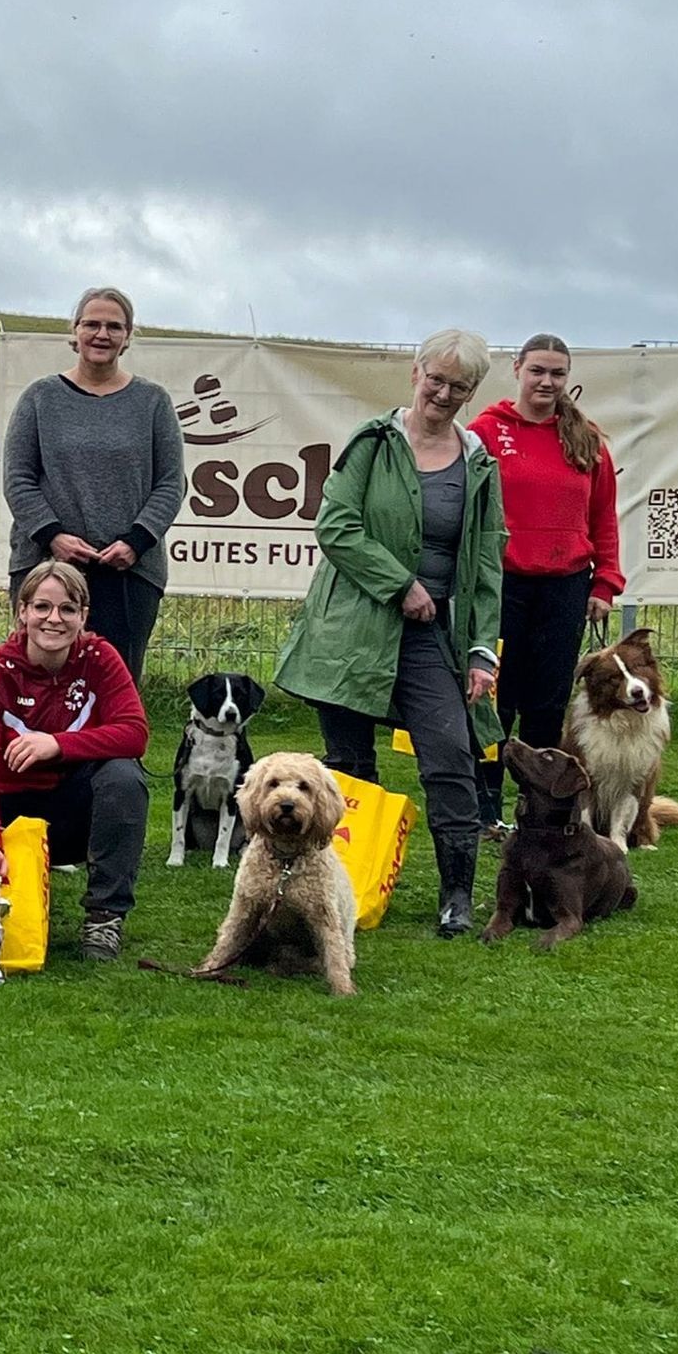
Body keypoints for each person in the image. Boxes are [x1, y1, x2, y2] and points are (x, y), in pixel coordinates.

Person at [273, 329, 506, 937]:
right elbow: (337, 525)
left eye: (460, 386)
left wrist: (482, 650)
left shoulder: (479, 462)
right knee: (348, 767)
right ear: (416, 372)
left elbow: (485, 562)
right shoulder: (373, 443)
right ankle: (336, 889)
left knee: (452, 756)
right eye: (437, 379)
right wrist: (400, 585)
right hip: (351, 629)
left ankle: (457, 893)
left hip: (433, 640)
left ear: (473, 391)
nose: (444, 393)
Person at [0, 560, 151, 961]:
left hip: (74, 814)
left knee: (124, 778)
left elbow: (135, 732)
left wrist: (57, 745)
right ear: (22, 612)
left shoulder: (100, 657)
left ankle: (104, 919)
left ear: (83, 616)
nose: (53, 619)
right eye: (42, 607)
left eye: (67, 609)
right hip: (12, 810)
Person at [468, 334, 624, 834]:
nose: (546, 381)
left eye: (557, 373)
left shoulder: (586, 439)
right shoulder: (486, 432)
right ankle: (485, 804)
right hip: (501, 583)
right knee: (495, 696)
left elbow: (604, 518)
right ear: (516, 369)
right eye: (537, 370)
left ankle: (541, 803)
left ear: (567, 378)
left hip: (565, 585)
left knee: (548, 700)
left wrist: (605, 584)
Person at [0, 286, 185, 681]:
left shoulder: (153, 402)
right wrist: (53, 536)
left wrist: (136, 542)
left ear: (128, 336)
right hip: (46, 566)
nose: (102, 334)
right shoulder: (40, 398)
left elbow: (171, 483)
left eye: (114, 326)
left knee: (113, 689)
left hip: (128, 574)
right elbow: (18, 478)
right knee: (35, 682)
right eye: (92, 324)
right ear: (75, 331)